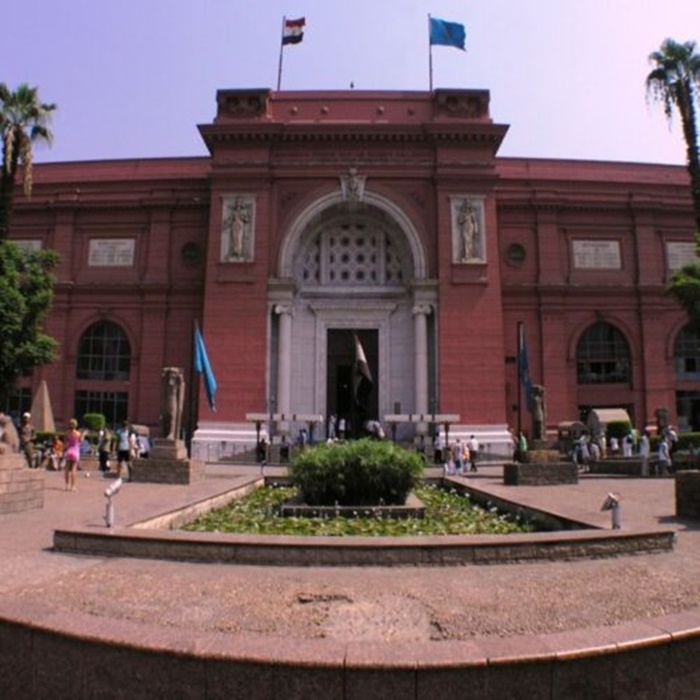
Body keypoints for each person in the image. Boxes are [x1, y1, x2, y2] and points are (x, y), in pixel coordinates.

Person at [63, 419, 84, 491]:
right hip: (75, 451)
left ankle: (67, 485)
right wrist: (83, 435)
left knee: (66, 469)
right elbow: (81, 441)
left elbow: (66, 443)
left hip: (69, 451)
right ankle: (73, 486)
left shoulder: (67, 433)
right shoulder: (78, 433)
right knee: (73, 469)